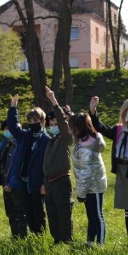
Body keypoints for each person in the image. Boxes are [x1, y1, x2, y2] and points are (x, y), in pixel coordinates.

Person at [89, 95, 128, 249]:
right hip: (122, 171)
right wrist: (93, 110)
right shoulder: (119, 130)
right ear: (125, 113)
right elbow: (100, 128)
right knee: (127, 209)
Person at [7, 94, 51, 235]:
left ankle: (41, 235)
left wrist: (44, 183)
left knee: (38, 211)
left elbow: (47, 164)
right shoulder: (26, 135)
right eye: (30, 120)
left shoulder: (46, 140)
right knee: (28, 210)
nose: (33, 123)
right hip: (24, 181)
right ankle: (33, 233)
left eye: (36, 120)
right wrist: (13, 108)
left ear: (43, 121)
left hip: (38, 183)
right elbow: (13, 127)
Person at [43, 86, 75, 244]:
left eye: (56, 121)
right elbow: (46, 165)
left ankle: (67, 241)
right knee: (52, 214)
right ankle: (57, 240)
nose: (54, 124)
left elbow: (63, 124)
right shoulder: (51, 141)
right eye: (51, 123)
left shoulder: (65, 138)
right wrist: (44, 183)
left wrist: (53, 101)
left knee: (64, 214)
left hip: (62, 181)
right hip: (49, 183)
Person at [70, 111, 107, 246]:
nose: (70, 130)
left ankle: (100, 244)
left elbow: (86, 174)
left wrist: (81, 194)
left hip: (94, 186)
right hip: (88, 187)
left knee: (97, 215)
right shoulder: (83, 140)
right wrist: (69, 113)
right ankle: (90, 242)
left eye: (72, 127)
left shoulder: (86, 148)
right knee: (91, 215)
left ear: (78, 129)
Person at [0, 120, 27, 238]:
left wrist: (12, 183)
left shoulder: (21, 144)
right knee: (10, 212)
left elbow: (22, 166)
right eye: (6, 129)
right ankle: (14, 236)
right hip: (5, 183)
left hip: (17, 185)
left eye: (12, 128)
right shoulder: (4, 144)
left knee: (21, 212)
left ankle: (22, 237)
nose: (8, 131)